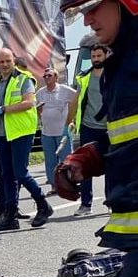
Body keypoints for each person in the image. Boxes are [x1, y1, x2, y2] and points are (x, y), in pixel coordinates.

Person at [58, 0, 138, 277]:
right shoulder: (117, 69)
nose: (87, 21)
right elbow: (121, 137)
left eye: (92, 8)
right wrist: (84, 161)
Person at [0, 48, 53, 230]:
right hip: (2, 132)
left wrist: (3, 109)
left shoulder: (24, 78)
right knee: (6, 174)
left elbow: (29, 102)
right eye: (1, 62)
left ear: (13, 61)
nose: (5, 65)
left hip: (21, 131)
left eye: (8, 61)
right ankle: (10, 217)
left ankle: (43, 205)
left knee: (20, 172)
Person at [69, 43, 110, 216]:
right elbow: (76, 100)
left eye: (98, 56)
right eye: (93, 57)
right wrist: (70, 121)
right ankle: (86, 204)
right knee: (85, 166)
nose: (95, 59)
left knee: (112, 166)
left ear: (106, 56)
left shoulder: (114, 75)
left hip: (111, 127)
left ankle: (112, 202)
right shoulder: (84, 77)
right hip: (88, 127)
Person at [35, 67, 76, 195]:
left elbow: (77, 98)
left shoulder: (64, 90)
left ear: (56, 77)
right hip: (47, 131)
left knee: (66, 159)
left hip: (62, 131)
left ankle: (69, 184)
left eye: (49, 75)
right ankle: (54, 186)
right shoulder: (40, 93)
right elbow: (35, 107)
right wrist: (39, 114)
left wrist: (71, 119)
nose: (47, 78)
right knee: (50, 160)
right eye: (45, 76)